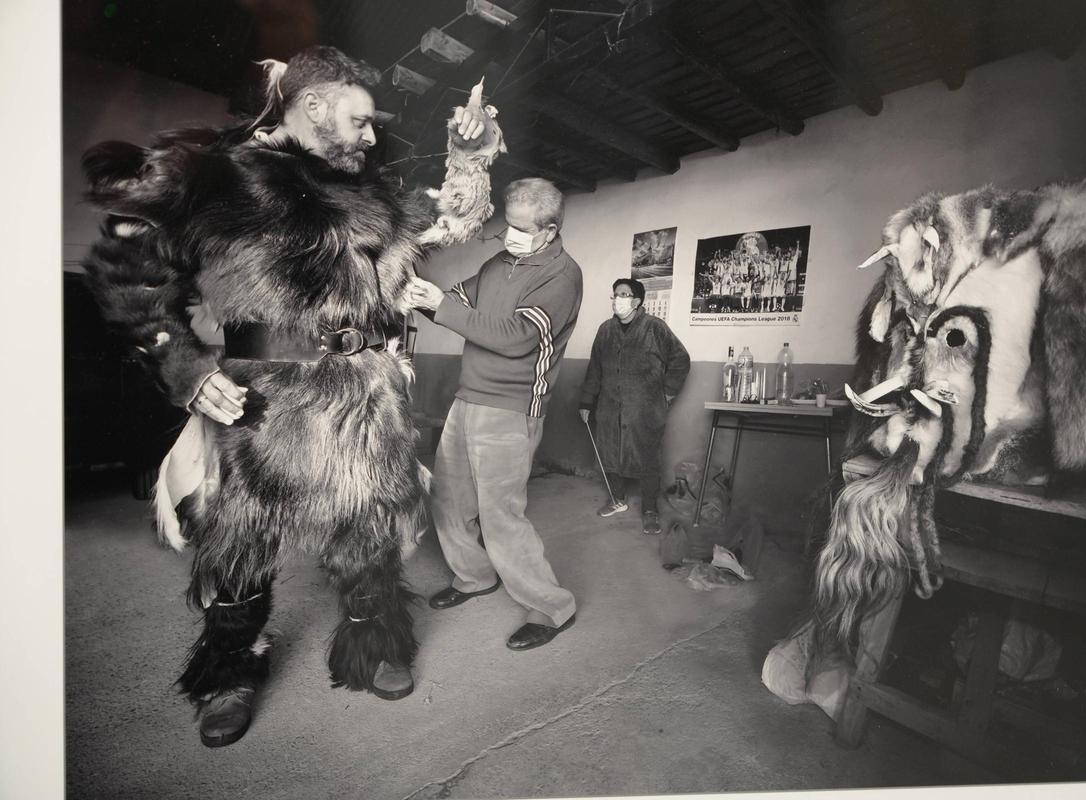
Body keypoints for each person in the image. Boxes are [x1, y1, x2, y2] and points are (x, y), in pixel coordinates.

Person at [79, 45, 503, 746]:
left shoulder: (371, 191)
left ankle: (374, 646)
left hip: (367, 397)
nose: (372, 137)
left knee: (372, 537)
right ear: (314, 105)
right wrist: (182, 365)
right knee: (242, 545)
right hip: (266, 403)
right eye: (361, 121)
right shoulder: (221, 176)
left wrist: (469, 154)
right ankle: (229, 672)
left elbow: (442, 220)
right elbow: (128, 266)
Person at [402, 178, 582, 652]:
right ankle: (474, 576)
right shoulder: (498, 263)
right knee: (447, 498)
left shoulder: (562, 275)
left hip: (512, 406)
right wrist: (420, 295)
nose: (512, 235)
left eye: (523, 229)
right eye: (509, 224)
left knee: (500, 512)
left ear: (549, 230)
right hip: (468, 398)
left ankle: (551, 605)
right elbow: (457, 303)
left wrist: (440, 307)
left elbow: (515, 336)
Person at [579, 278, 691, 535]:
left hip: (645, 408)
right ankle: (617, 499)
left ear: (637, 301)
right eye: (616, 294)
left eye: (625, 294)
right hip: (609, 407)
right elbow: (594, 368)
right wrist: (587, 401)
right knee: (609, 453)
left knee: (648, 459)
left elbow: (680, 359)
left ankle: (650, 510)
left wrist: (668, 393)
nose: (618, 299)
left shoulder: (655, 328)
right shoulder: (605, 330)